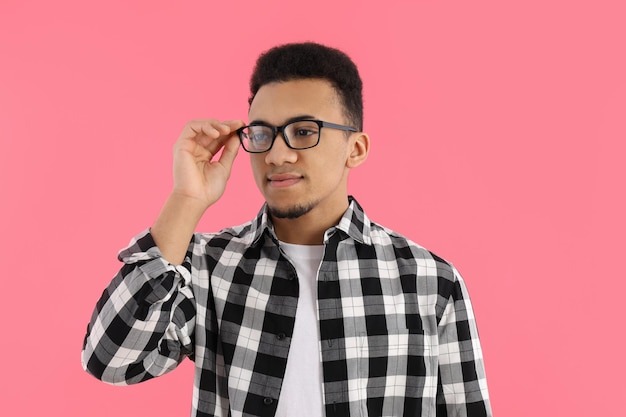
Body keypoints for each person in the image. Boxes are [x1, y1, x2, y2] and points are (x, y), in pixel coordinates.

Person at [82, 42, 492, 417]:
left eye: (303, 131)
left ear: (357, 148)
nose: (277, 154)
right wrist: (187, 200)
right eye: (261, 133)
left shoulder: (429, 280)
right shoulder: (207, 268)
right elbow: (110, 360)